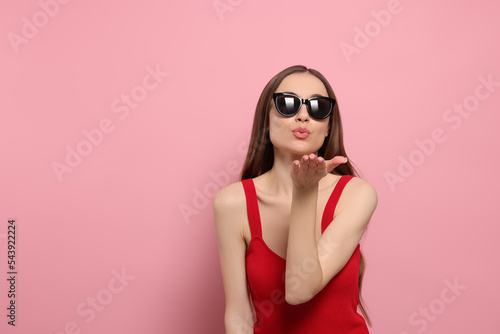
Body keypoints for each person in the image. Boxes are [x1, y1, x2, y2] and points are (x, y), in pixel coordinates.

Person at [213, 65, 378, 333]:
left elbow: (299, 290)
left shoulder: (356, 194)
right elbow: (238, 315)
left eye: (318, 108)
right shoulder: (233, 204)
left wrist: (304, 193)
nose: (303, 116)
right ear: (265, 121)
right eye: (287, 104)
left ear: (327, 128)